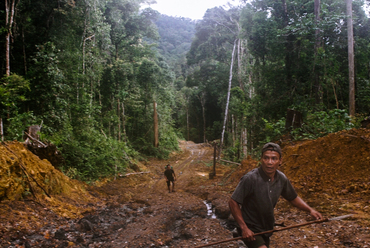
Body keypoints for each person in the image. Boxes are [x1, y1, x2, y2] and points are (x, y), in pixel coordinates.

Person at [229, 142, 322, 248]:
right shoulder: (250, 178)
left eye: (274, 158)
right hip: (250, 227)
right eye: (266, 158)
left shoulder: (281, 179)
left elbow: (293, 197)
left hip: (266, 228)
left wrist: (310, 210)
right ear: (261, 159)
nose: (269, 162)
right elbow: (233, 202)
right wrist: (244, 228)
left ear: (280, 161)